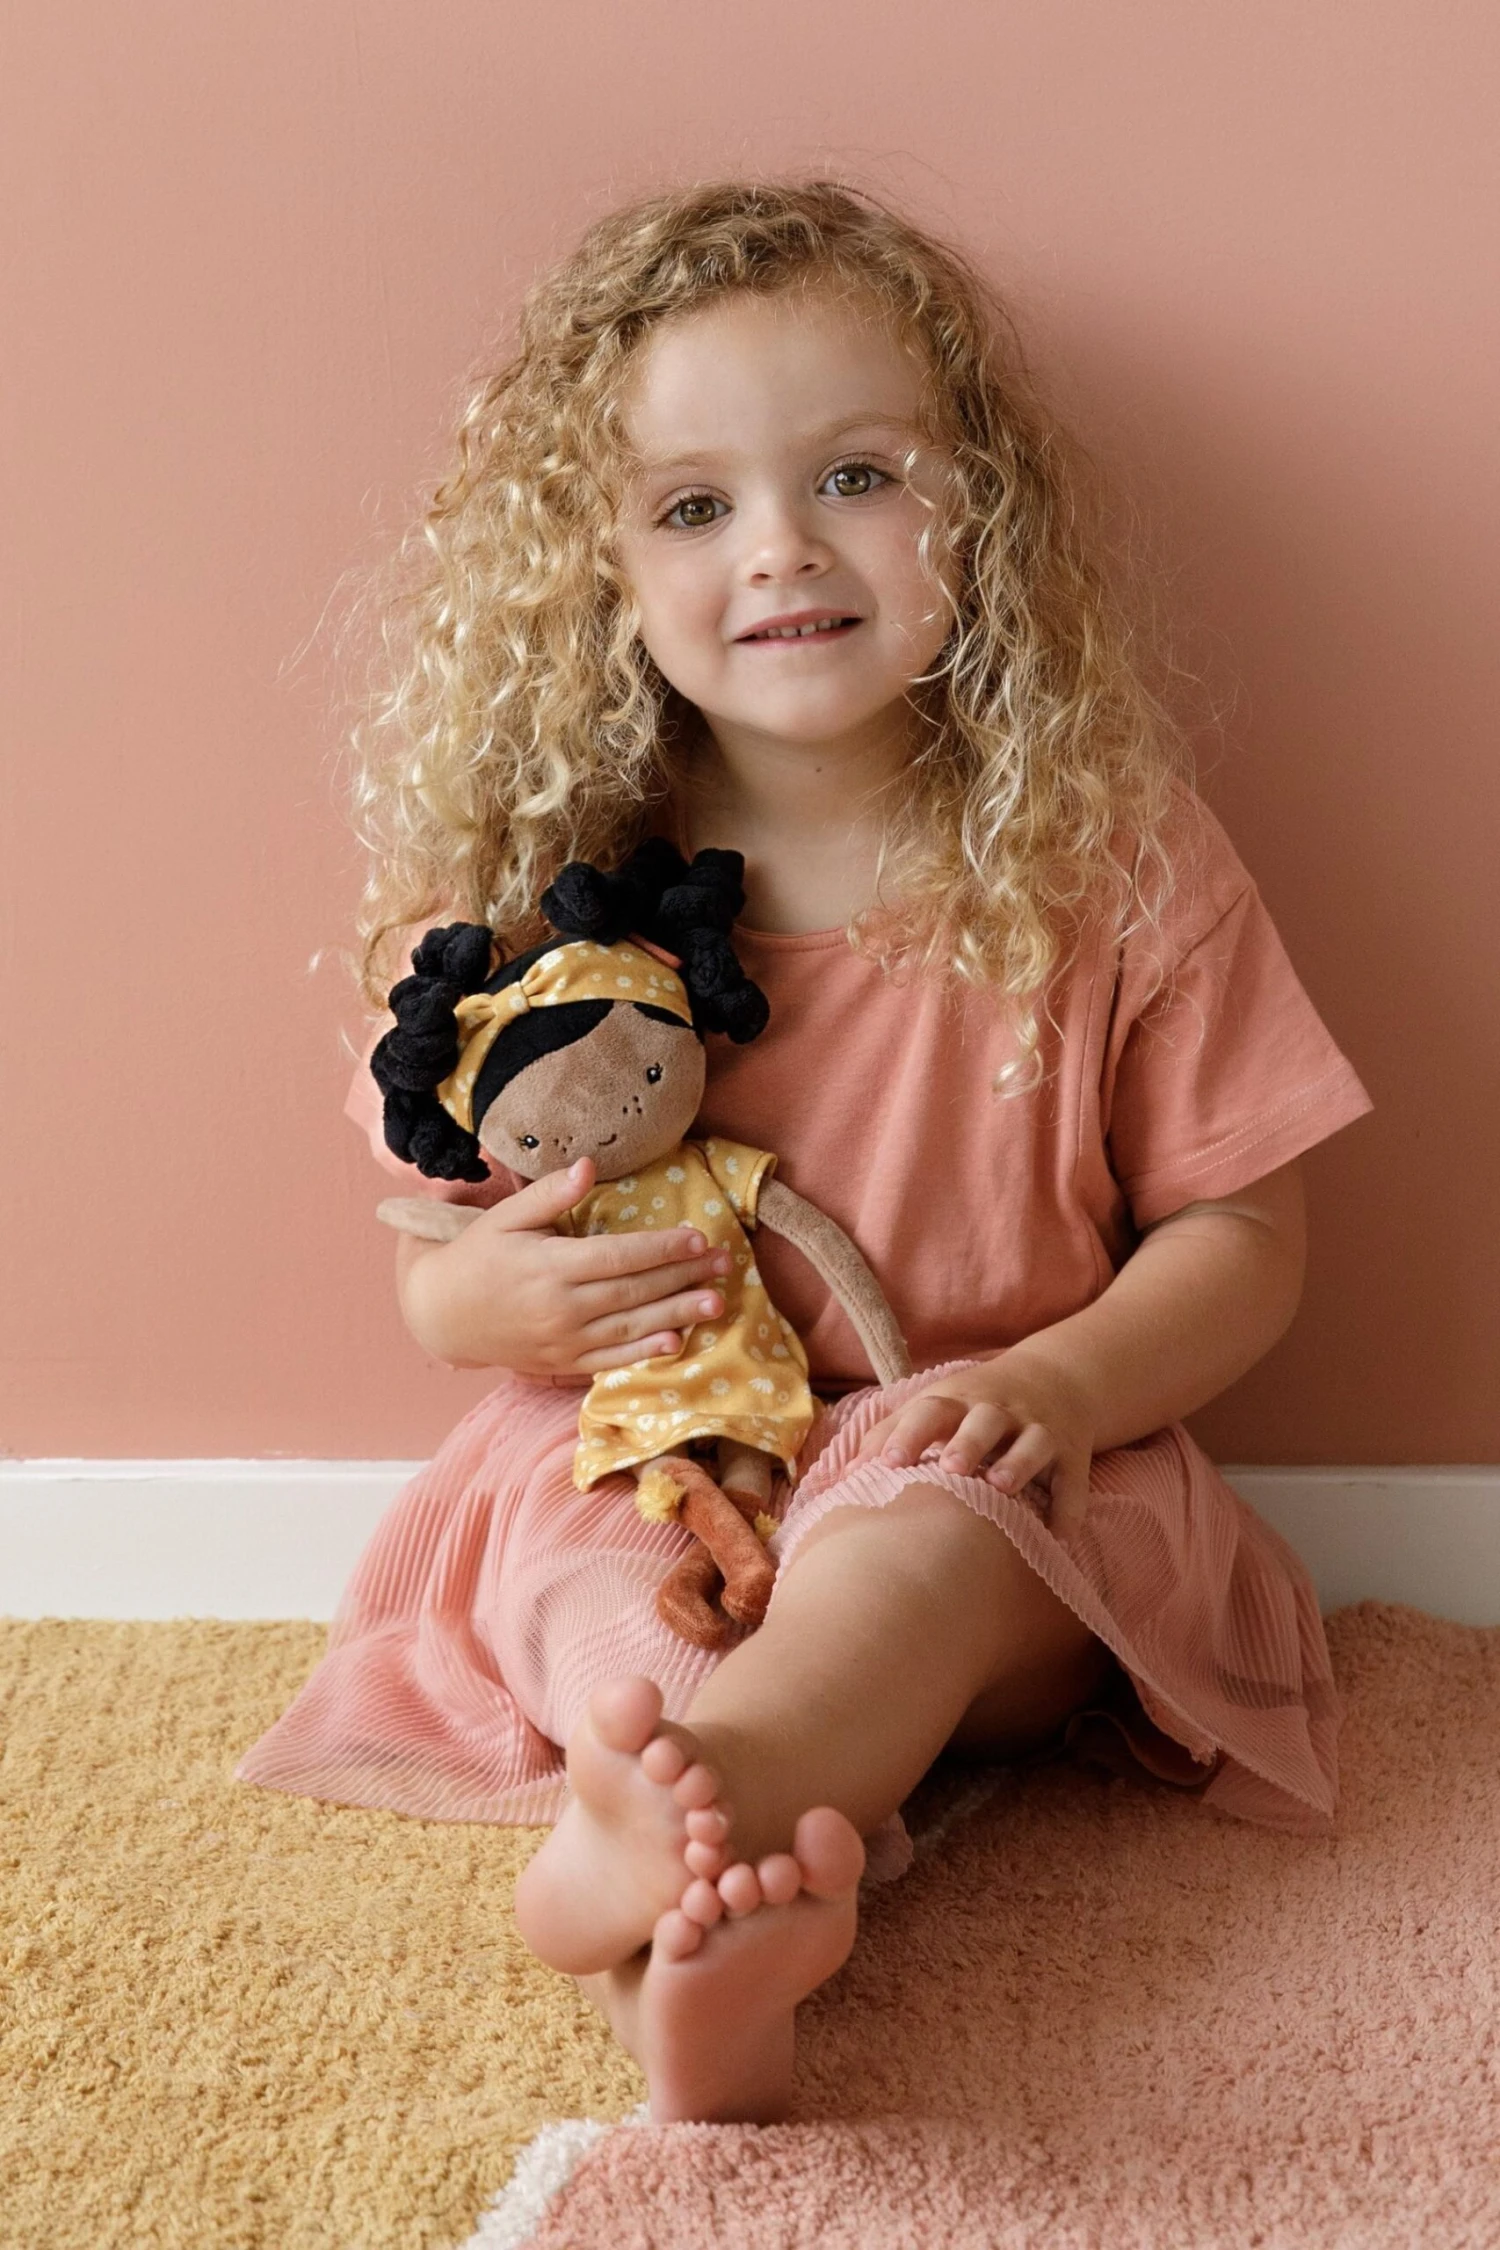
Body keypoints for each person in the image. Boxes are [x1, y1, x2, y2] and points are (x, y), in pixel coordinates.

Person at [237, 179, 1373, 2125]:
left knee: (912, 1546)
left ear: (978, 507)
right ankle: (690, 1972)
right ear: (600, 567)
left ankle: (715, 1795)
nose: (781, 548)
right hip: (655, 1450)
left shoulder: (1103, 847)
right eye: (694, 506)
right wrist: (491, 1305)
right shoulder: (546, 886)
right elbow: (439, 1259)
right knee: (592, 1586)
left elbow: (1242, 1233)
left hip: (982, 1445)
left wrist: (1060, 1383)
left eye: (856, 476)